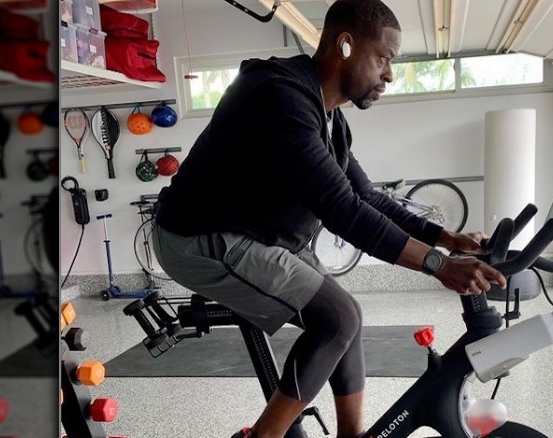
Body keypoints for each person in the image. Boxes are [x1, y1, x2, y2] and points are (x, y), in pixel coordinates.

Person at [152, 1, 507, 437]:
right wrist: (438, 265)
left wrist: (446, 238)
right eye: (384, 58)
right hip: (199, 239)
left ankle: (351, 435)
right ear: (344, 45)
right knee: (337, 318)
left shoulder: (330, 120)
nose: (389, 75)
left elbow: (366, 195)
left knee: (347, 318)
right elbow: (343, 210)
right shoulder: (279, 98)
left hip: (263, 234)